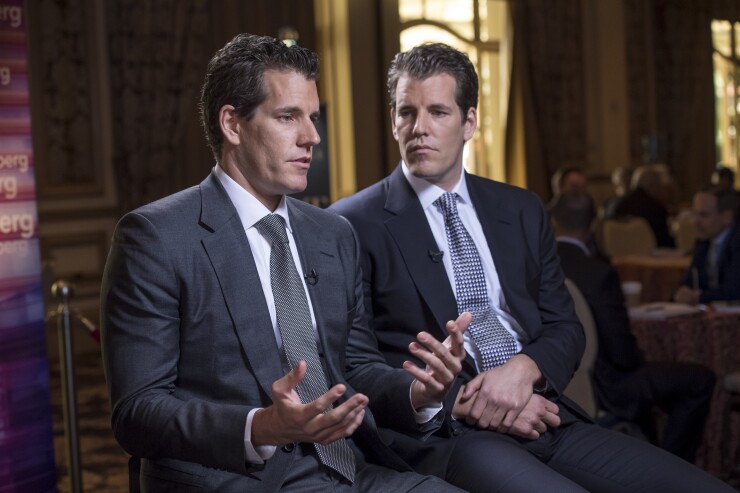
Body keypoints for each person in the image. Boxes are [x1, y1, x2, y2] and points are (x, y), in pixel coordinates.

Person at [330, 42, 734, 492]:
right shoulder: (350, 223)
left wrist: (523, 371)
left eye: (438, 112)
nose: (419, 128)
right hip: (449, 432)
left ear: (469, 122)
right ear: (393, 121)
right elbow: (354, 363)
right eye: (407, 112)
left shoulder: (520, 208)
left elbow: (566, 326)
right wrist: (463, 399)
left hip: (543, 412)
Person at [100, 34, 471, 493]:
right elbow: (137, 412)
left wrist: (418, 393)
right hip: (235, 478)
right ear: (233, 124)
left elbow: (353, 367)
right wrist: (262, 426)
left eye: (312, 118)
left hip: (351, 469)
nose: (312, 136)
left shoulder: (333, 234)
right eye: (288, 117)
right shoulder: (155, 237)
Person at [550, 191, 715, 463]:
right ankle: (670, 469)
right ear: (593, 225)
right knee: (699, 380)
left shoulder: (535, 269)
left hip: (552, 382)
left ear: (553, 222)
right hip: (604, 386)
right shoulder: (598, 272)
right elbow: (621, 353)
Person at [674, 185, 740, 305]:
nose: (695, 221)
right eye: (694, 214)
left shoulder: (737, 242)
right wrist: (682, 292)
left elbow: (734, 290)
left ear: (727, 217)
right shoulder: (703, 242)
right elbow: (690, 280)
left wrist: (699, 296)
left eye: (703, 215)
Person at [606, 163, 677, 248]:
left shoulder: (612, 204)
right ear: (653, 186)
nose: (661, 191)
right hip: (647, 258)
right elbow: (666, 245)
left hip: (616, 256)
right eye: (659, 187)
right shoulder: (656, 208)